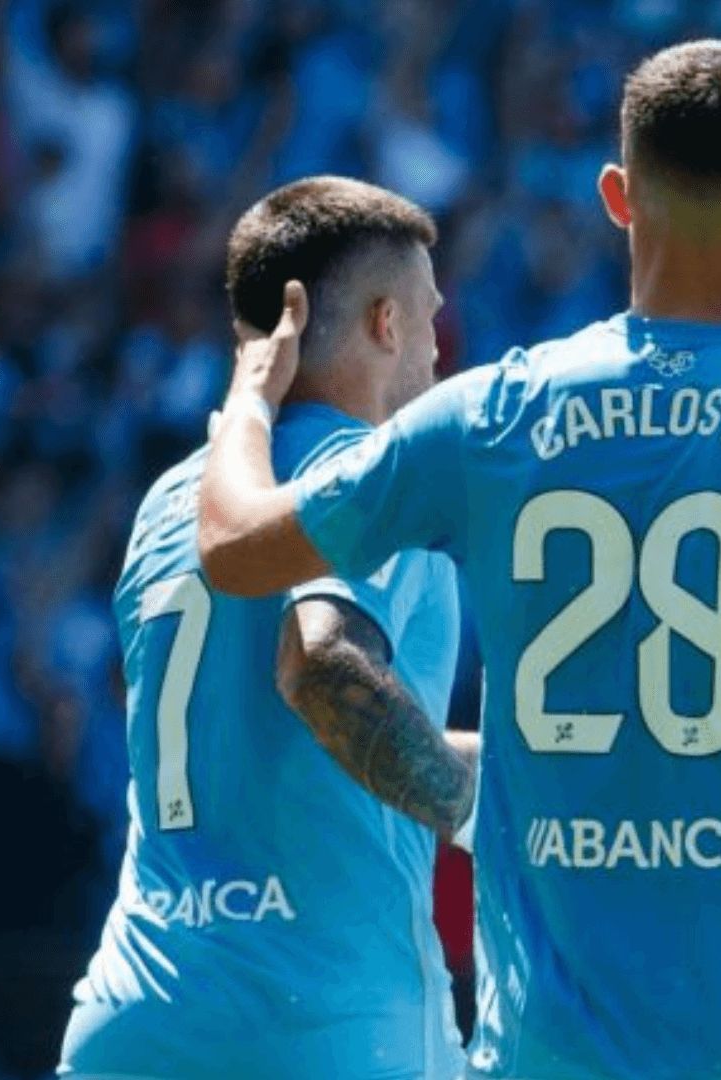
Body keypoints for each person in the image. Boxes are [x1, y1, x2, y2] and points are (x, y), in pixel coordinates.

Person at [192, 41, 721, 1079]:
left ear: (616, 196)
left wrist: (250, 401)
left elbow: (236, 548)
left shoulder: (488, 414)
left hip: (548, 1046)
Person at [60, 177, 472, 1079]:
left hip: (134, 1018)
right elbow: (321, 665)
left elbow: (257, 735)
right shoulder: (377, 476)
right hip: (323, 1026)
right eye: (430, 318)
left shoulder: (174, 499)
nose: (439, 352)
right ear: (386, 324)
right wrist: (476, 807)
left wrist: (506, 765)